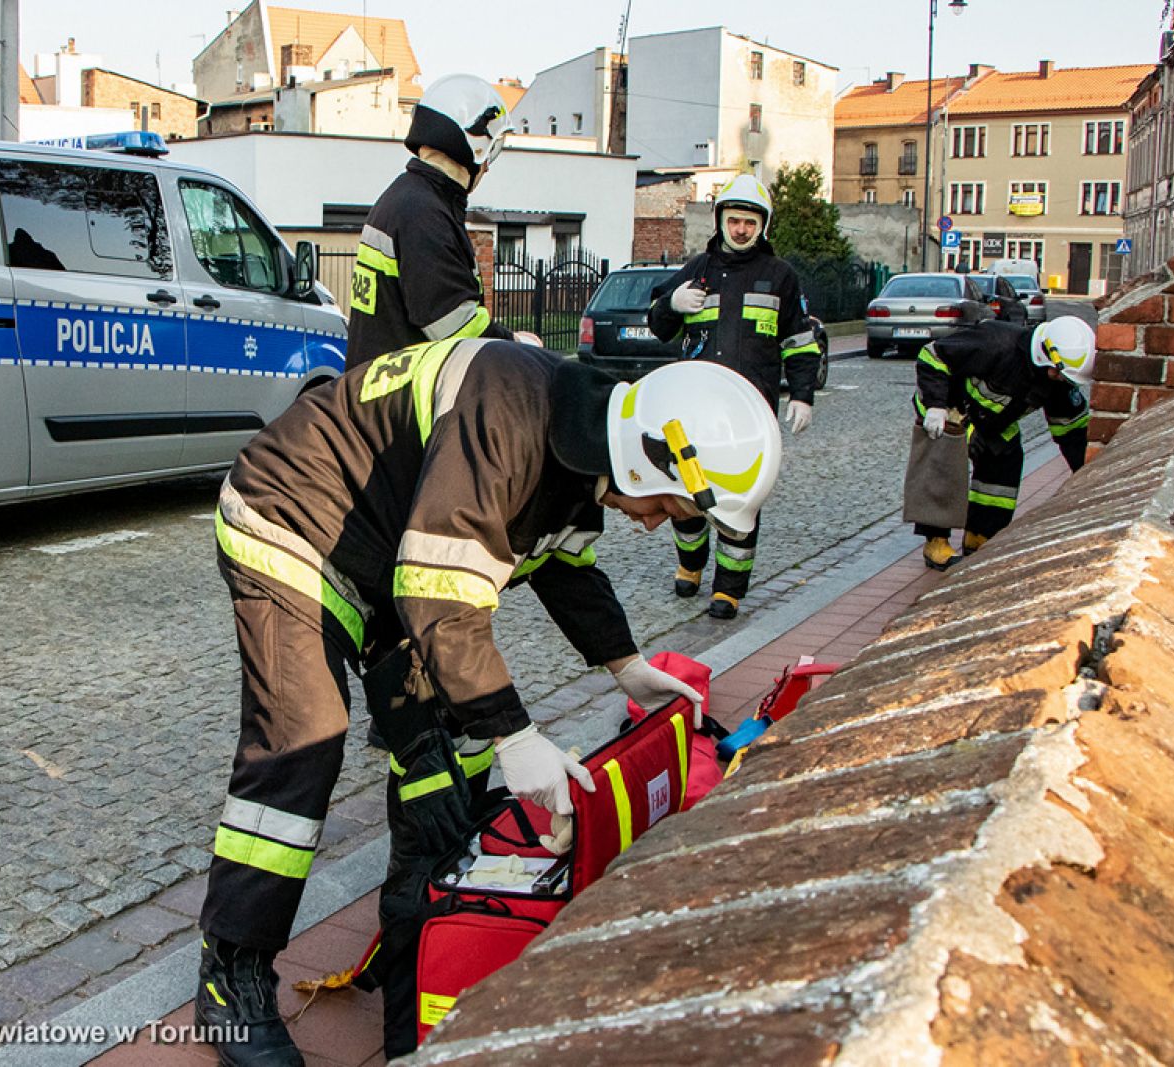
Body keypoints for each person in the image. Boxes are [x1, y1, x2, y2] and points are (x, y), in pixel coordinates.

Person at [194, 337, 782, 1064]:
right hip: (292, 518)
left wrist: (625, 664)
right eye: (667, 504)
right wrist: (517, 734)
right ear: (643, 459)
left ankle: (419, 923)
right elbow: (438, 596)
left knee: (451, 745)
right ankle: (231, 976)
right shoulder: (507, 418)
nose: (659, 521)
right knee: (304, 737)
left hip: (389, 554)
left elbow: (565, 567)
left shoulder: (583, 447)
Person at [646, 173, 822, 620]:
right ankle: (690, 566)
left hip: (750, 411)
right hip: (694, 409)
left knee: (741, 497)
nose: (741, 229)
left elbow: (800, 343)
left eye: (749, 222)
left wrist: (802, 395)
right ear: (720, 220)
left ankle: (728, 588)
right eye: (734, 220)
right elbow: (658, 326)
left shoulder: (780, 277)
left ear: (763, 226)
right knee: (686, 492)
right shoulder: (696, 270)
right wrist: (671, 304)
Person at [345, 74, 528, 370]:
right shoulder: (423, 214)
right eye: (492, 151)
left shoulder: (407, 198)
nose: (487, 167)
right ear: (474, 145)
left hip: (381, 389)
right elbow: (458, 333)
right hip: (402, 396)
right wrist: (517, 347)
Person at [912, 316, 1095, 570]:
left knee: (1005, 463)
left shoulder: (1057, 381)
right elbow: (933, 355)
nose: (1059, 378)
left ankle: (981, 536)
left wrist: (1087, 477)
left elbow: (1071, 431)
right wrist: (935, 405)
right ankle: (936, 541)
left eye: (1064, 376)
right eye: (1058, 372)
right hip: (947, 407)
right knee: (945, 460)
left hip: (993, 422)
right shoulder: (996, 341)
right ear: (1044, 353)